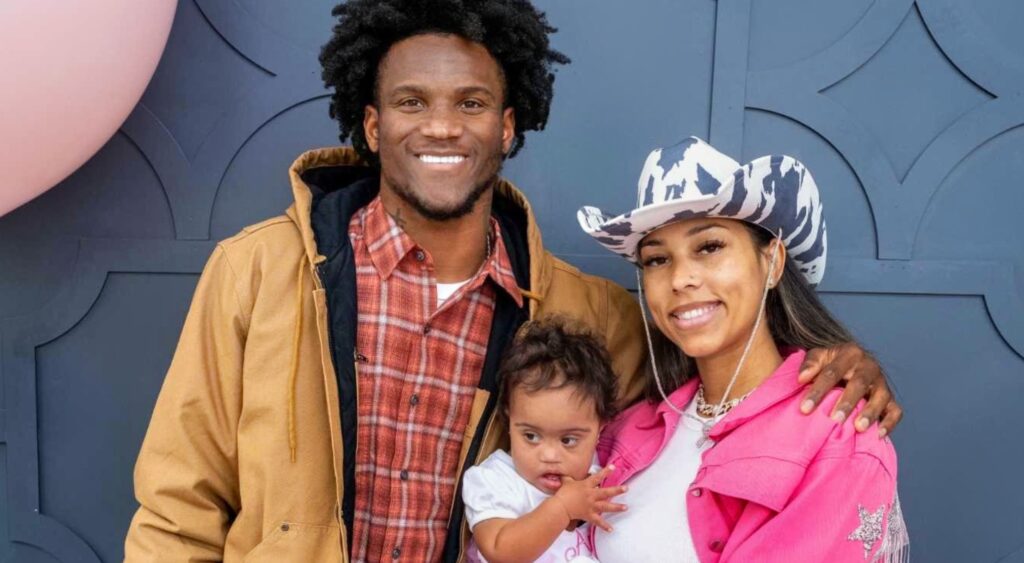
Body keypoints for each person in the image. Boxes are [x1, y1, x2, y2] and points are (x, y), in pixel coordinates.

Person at [125, 1, 902, 561]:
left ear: (507, 125)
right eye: (410, 102)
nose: (440, 127)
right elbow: (177, 507)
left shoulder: (591, 316)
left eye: (470, 103)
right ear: (370, 125)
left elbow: (720, 359)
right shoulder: (258, 272)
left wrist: (837, 361)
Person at [578, 137, 910, 561]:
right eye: (657, 260)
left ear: (771, 261)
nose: (680, 279)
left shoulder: (838, 433)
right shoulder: (629, 429)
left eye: (709, 247)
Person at [462, 319, 625, 563]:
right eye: (531, 436)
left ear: (600, 429)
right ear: (509, 421)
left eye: (568, 440)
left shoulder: (598, 474)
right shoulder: (495, 481)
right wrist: (562, 507)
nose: (549, 455)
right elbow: (500, 551)